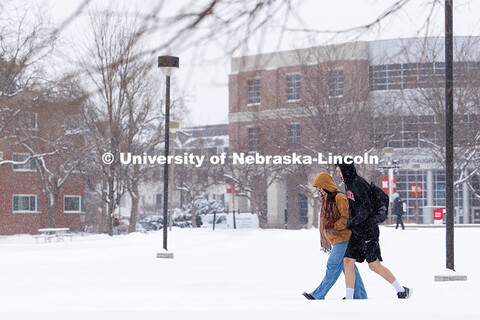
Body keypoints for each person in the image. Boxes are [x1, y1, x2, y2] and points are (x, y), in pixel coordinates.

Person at [335, 163, 412, 299]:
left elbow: (366, 208)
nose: (338, 174)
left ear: (345, 170)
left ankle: (402, 290)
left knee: (374, 265)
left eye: (339, 171)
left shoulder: (358, 184)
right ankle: (349, 297)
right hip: (357, 230)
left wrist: (352, 221)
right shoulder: (349, 185)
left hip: (368, 230)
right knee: (347, 261)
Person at [302, 172, 368, 300]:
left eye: (320, 187)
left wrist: (334, 227)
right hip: (338, 238)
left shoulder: (339, 198)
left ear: (326, 185)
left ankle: (318, 295)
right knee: (348, 267)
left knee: (333, 265)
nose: (319, 190)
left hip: (344, 238)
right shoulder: (328, 200)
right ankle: (360, 295)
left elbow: (347, 217)